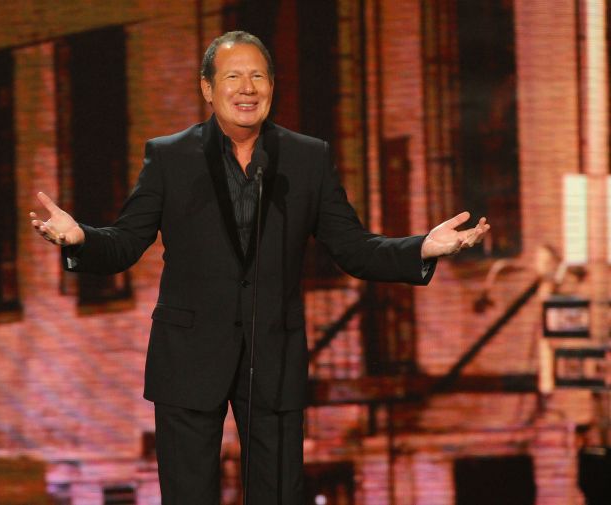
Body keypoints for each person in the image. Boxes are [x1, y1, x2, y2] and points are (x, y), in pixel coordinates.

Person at [31, 31, 489, 505]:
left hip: (274, 355)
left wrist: (422, 248)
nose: (247, 88)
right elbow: (126, 242)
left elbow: (353, 248)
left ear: (272, 86)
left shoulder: (307, 157)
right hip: (188, 357)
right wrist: (82, 239)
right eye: (233, 76)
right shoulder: (170, 157)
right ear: (208, 88)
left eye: (258, 76)